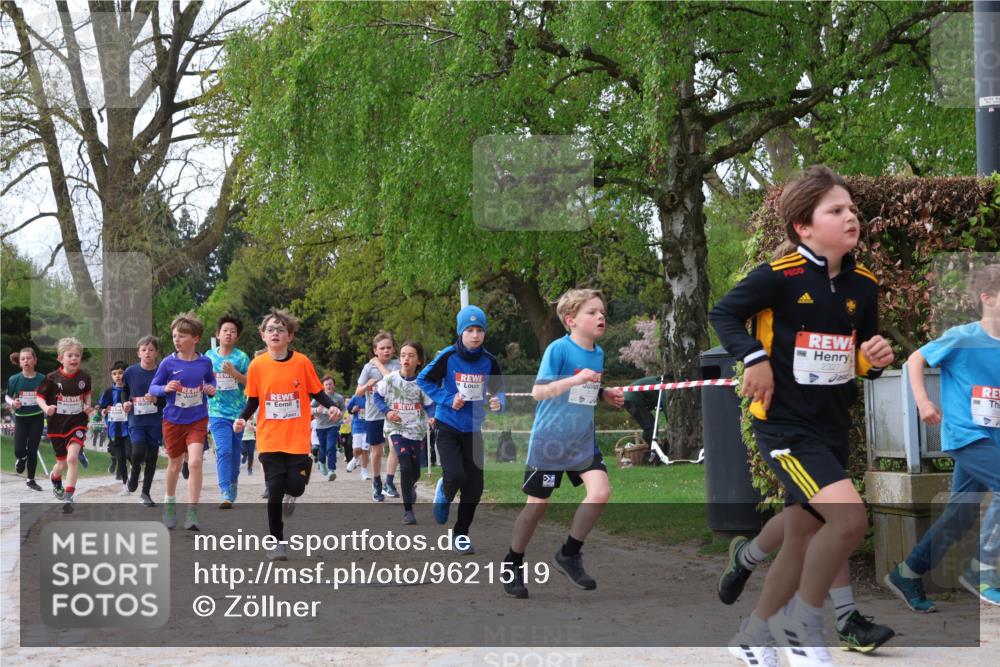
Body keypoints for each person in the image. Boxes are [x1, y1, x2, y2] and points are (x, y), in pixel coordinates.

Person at [709, 166, 895, 666]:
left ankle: (752, 636)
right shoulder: (780, 276)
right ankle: (801, 625)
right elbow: (723, 314)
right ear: (803, 227)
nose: (850, 216)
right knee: (849, 519)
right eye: (835, 210)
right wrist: (755, 357)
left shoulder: (864, 284)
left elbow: (858, 353)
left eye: (851, 208)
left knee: (800, 537)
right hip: (784, 424)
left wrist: (874, 359)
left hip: (831, 422)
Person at [884, 263, 1000, 609]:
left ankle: (908, 572)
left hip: (993, 438)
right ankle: (983, 571)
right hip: (966, 435)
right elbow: (916, 359)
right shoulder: (964, 336)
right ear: (988, 298)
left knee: (960, 514)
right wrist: (923, 402)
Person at [499, 290, 624, 598]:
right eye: (592, 312)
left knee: (601, 492)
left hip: (582, 440)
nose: (600, 317)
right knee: (537, 506)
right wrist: (575, 380)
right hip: (550, 440)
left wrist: (603, 394)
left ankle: (568, 554)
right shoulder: (559, 349)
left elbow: (586, 390)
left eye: (602, 312)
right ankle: (512, 562)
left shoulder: (597, 352)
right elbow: (539, 393)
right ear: (571, 320)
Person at [235, 309, 341, 561]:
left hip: (296, 437)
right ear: (262, 335)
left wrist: (331, 405)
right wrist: (242, 417)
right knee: (274, 489)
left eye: (280, 329)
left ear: (289, 336)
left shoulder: (302, 362)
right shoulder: (257, 366)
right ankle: (276, 542)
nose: (275, 333)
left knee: (294, 486)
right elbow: (253, 399)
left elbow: (316, 391)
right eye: (270, 329)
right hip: (270, 437)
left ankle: (302, 472)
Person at [417, 305, 506, 553]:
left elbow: (499, 390)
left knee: (474, 487)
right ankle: (444, 492)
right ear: (460, 332)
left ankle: (460, 534)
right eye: (470, 330)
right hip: (447, 426)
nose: (475, 335)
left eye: (480, 330)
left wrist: (499, 403)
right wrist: (447, 398)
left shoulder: (489, 361)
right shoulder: (447, 356)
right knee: (456, 475)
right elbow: (423, 379)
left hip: (473, 429)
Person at [150, 313, 217, 530]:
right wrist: (164, 388)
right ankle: (169, 503)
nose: (176, 340)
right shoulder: (168, 363)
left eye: (181, 336)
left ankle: (192, 513)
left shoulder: (205, 362)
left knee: (195, 462)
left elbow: (211, 382)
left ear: (195, 338)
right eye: (174, 336)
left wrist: (210, 389)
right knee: (175, 464)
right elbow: (153, 387)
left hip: (197, 418)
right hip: (173, 420)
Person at [373, 341, 435, 525]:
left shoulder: (422, 383)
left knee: (414, 470)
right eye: (403, 355)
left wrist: (432, 417)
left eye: (411, 355)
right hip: (395, 428)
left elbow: (430, 405)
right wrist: (387, 411)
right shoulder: (390, 379)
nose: (406, 358)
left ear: (419, 361)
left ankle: (411, 485)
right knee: (405, 464)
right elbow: (377, 396)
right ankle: (408, 511)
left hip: (415, 429)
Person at [35, 337, 96, 513]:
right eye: (70, 355)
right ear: (61, 358)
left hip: (77, 423)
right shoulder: (52, 378)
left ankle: (69, 497)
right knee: (61, 464)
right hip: (57, 426)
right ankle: (55, 478)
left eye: (77, 355)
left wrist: (87, 406)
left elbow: (87, 395)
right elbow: (39, 397)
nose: (74, 358)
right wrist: (46, 408)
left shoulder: (85, 377)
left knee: (72, 458)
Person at [206, 315, 251, 509]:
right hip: (216, 411)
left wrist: (234, 373)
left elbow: (251, 384)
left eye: (233, 331)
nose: (228, 334)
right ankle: (224, 490)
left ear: (237, 337)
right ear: (218, 334)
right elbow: (202, 379)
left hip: (238, 413)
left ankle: (233, 485)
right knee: (223, 450)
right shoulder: (209, 356)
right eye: (225, 330)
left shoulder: (241, 357)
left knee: (234, 451)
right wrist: (206, 388)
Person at [355, 332, 401, 501]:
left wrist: (377, 364)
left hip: (393, 412)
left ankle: (389, 481)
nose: (386, 351)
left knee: (395, 447)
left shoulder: (397, 364)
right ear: (375, 350)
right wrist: (367, 385)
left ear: (394, 349)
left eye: (389, 347)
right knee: (377, 451)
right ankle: (376, 483)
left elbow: (390, 379)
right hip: (374, 414)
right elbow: (357, 392)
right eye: (382, 348)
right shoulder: (369, 368)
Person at [122, 335, 166, 507]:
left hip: (155, 419)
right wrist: (125, 402)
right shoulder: (130, 372)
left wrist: (156, 400)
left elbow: (167, 396)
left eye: (151, 350)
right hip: (137, 418)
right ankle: (133, 476)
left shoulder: (162, 373)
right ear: (138, 353)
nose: (147, 352)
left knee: (152, 456)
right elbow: (124, 390)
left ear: (156, 353)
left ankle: (145, 493)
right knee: (138, 451)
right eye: (144, 350)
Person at [5, 347, 45, 491]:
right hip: (21, 418)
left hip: (37, 418)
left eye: (28, 358)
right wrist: (13, 403)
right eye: (23, 359)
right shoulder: (14, 379)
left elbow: (48, 395)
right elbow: (7, 396)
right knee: (19, 449)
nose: (26, 361)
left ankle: (31, 480)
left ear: (34, 360)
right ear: (20, 362)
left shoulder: (42, 379)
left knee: (33, 450)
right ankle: (21, 459)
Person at [98, 361, 131, 493]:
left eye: (120, 373)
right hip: (114, 429)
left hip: (129, 428)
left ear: (126, 374)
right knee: (121, 458)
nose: (117, 376)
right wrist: (103, 411)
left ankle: (135, 471)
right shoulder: (109, 391)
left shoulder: (130, 390)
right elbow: (101, 407)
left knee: (130, 454)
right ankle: (125, 485)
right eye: (114, 374)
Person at [312, 375, 346, 480]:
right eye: (326, 384)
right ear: (323, 386)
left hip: (333, 425)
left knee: (331, 447)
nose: (328, 386)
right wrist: (318, 410)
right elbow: (310, 408)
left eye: (330, 384)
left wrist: (338, 417)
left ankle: (332, 470)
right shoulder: (319, 397)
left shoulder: (339, 397)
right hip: (321, 426)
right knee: (322, 448)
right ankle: (321, 462)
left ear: (334, 385)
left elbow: (343, 410)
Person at [346, 393, 369, 479]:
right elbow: (349, 410)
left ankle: (364, 471)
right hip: (357, 426)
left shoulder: (373, 396)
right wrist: (353, 409)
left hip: (368, 427)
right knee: (357, 449)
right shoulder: (356, 397)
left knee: (365, 450)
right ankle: (354, 459)